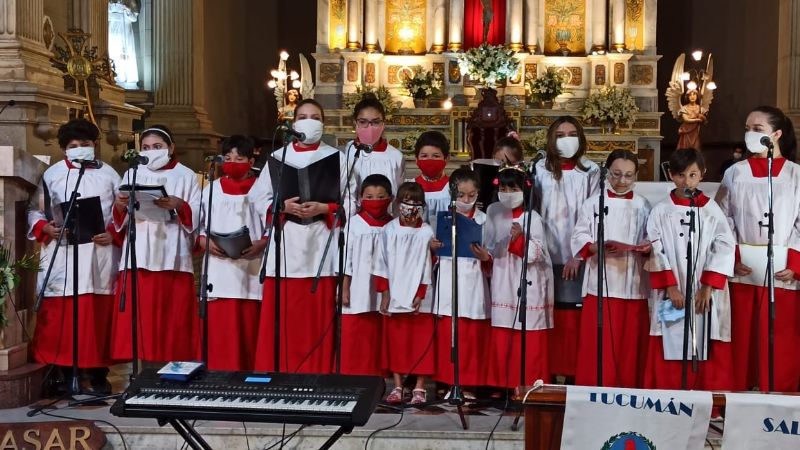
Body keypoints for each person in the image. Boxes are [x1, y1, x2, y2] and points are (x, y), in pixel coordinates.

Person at [253, 99, 357, 373]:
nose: (308, 121)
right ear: (293, 122)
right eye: (302, 116)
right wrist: (281, 206)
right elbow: (256, 199)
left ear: (323, 122)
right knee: (284, 317)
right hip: (286, 244)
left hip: (320, 245)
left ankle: (316, 373)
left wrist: (326, 207)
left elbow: (354, 202)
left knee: (315, 318)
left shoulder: (338, 158)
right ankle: (278, 371)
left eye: (315, 117)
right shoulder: (278, 157)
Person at [28, 118, 121, 394]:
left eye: (85, 144)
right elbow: (35, 209)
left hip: (98, 254)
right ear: (63, 149)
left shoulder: (110, 175)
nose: (80, 149)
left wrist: (113, 233)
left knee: (96, 317)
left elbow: (124, 214)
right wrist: (45, 227)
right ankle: (67, 373)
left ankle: (98, 373)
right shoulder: (52, 174)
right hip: (64, 253)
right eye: (73, 146)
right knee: (64, 318)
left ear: (95, 145)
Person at [715, 106, 800, 392]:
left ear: (776, 134)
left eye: (757, 129)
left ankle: (778, 395)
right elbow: (722, 218)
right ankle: (737, 394)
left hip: (782, 267)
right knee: (742, 335)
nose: (749, 134)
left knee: (779, 335)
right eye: (747, 128)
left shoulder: (795, 175)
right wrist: (733, 257)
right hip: (744, 265)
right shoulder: (735, 173)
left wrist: (796, 263)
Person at [644, 148, 735, 390]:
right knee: (669, 337)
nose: (687, 181)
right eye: (681, 175)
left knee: (709, 337)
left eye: (693, 175)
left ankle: (708, 399)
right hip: (672, 289)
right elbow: (656, 249)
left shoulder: (711, 210)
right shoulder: (661, 211)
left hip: (705, 290)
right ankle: (669, 395)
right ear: (671, 175)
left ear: (702, 175)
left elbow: (725, 245)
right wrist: (671, 287)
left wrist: (707, 286)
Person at [110, 124, 201, 363]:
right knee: (140, 317)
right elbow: (119, 217)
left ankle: (172, 366)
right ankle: (140, 368)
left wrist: (179, 205)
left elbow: (198, 217)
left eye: (157, 147)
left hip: (172, 251)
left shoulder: (187, 175)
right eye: (146, 147)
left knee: (171, 317)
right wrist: (120, 205)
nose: (151, 151)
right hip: (139, 248)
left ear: (171, 148)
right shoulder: (132, 173)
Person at [572, 149, 652, 388]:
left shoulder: (643, 205)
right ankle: (594, 389)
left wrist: (646, 247)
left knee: (629, 346)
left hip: (632, 282)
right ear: (607, 172)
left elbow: (653, 238)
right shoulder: (593, 202)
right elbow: (579, 236)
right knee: (599, 344)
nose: (622, 181)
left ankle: (630, 391)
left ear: (636, 176)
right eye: (616, 174)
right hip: (601, 282)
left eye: (629, 175)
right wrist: (595, 247)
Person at [535, 115, 601, 381]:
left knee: (573, 317)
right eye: (560, 135)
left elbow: (592, 213)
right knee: (547, 315)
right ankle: (547, 372)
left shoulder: (591, 170)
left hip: (577, 254)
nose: (566, 139)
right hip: (544, 251)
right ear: (552, 139)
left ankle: (573, 373)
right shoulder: (539, 168)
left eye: (572, 133)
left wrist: (578, 253)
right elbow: (535, 208)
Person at [196, 135, 268, 371]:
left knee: (249, 327)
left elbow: (273, 225)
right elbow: (197, 225)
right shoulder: (212, 189)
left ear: (251, 159)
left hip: (252, 264)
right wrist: (204, 241)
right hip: (219, 267)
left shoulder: (263, 188)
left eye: (239, 157)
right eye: (227, 158)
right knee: (221, 330)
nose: (233, 162)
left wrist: (262, 242)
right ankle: (218, 374)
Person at [483, 164, 553, 389]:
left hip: (528, 283)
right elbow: (491, 247)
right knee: (504, 335)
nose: (507, 193)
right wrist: (485, 255)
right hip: (503, 279)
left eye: (513, 188)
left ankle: (530, 385)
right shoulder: (494, 213)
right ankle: (504, 385)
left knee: (528, 337)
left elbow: (537, 253)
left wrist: (520, 238)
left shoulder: (533, 217)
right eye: (503, 188)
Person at [374, 182, 435, 404]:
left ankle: (419, 387)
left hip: (419, 295)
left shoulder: (427, 231)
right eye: (407, 202)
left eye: (416, 203)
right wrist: (384, 292)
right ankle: (398, 386)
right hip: (396, 293)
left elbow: (428, 265)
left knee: (421, 342)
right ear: (398, 204)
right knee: (396, 342)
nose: (411, 207)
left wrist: (421, 292)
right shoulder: (389, 230)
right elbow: (380, 262)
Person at [432, 168, 491, 395]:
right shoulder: (444, 217)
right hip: (448, 279)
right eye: (461, 195)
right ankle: (448, 382)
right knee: (449, 334)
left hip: (474, 281)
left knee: (470, 337)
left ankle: (469, 384)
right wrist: (433, 248)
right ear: (451, 193)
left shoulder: (484, 220)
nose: (466, 200)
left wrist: (486, 257)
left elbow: (494, 251)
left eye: (471, 195)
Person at [341, 174, 394, 376]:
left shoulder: (394, 225)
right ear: (361, 198)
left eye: (380, 197)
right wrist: (345, 287)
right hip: (359, 286)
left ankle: (380, 375)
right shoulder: (354, 224)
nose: (374, 202)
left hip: (384, 289)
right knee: (356, 332)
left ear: (390, 198)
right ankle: (353, 375)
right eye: (369, 197)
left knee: (379, 335)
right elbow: (346, 259)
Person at [345, 94, 405, 199]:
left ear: (383, 123)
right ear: (355, 123)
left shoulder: (395, 156)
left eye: (376, 122)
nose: (370, 127)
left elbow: (398, 195)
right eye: (363, 122)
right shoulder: (349, 150)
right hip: (355, 214)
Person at [413, 131, 451, 229]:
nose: (430, 160)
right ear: (416, 159)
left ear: (446, 158)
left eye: (436, 156)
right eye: (424, 156)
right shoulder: (409, 187)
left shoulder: (454, 187)